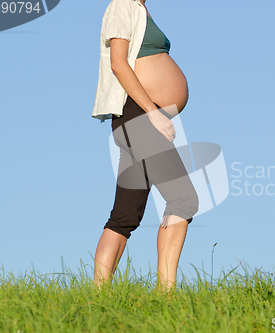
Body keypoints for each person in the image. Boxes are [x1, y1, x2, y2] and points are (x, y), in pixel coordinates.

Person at [91, 0, 199, 291]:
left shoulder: (139, 8)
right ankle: (166, 294)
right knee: (183, 198)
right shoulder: (121, 4)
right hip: (138, 115)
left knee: (123, 216)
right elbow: (118, 63)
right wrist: (153, 113)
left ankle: (97, 298)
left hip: (142, 118)